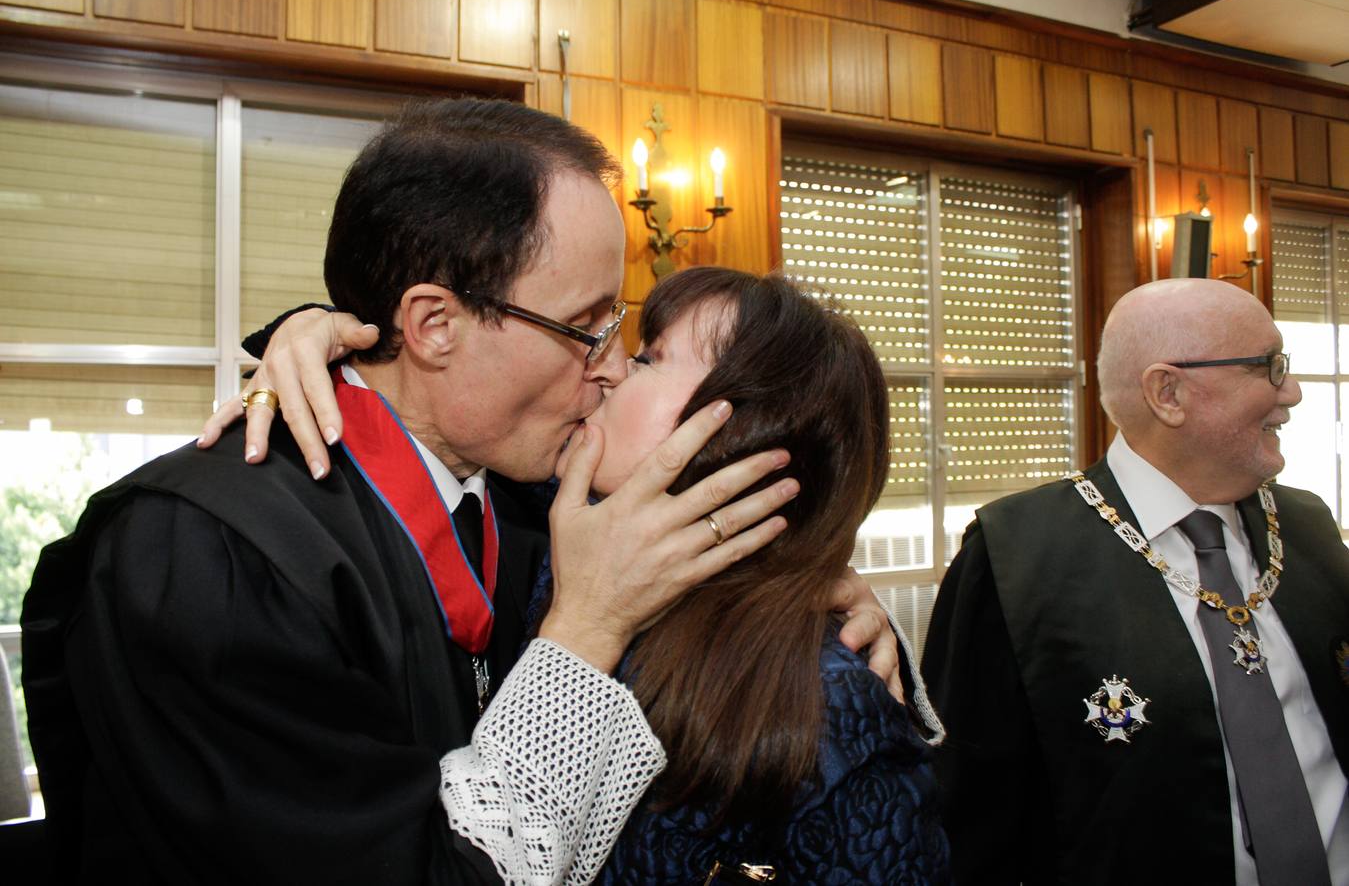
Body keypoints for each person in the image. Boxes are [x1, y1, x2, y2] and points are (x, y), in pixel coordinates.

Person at [20, 99, 805, 885]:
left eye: (619, 324)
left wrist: (808, 583)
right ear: (433, 325)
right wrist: (588, 627)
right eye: (586, 327)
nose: (611, 365)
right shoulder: (205, 552)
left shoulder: (521, 498)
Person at [232, 265, 951, 883]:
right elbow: (424, 418)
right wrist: (315, 333)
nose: (606, 368)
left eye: (648, 357)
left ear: (736, 434)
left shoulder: (829, 708)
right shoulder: (542, 517)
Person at [921, 277, 1349, 886]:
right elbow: (968, 819)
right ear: (1167, 391)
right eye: (1269, 367)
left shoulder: (1307, 527)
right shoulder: (1016, 557)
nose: (1294, 392)